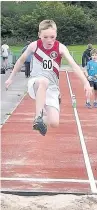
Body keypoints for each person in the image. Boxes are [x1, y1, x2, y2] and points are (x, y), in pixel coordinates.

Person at [5, 19, 92, 136]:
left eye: (52, 37)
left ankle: (40, 120)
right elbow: (21, 60)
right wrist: (11, 78)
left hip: (52, 87)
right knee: (43, 81)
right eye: (45, 37)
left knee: (54, 122)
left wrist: (86, 83)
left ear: (56, 34)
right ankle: (38, 116)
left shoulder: (60, 48)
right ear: (39, 35)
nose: (49, 40)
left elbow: (74, 66)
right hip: (36, 81)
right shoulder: (34, 45)